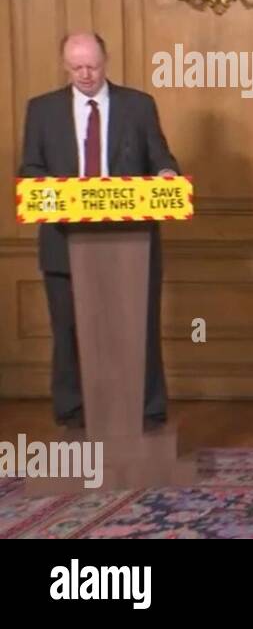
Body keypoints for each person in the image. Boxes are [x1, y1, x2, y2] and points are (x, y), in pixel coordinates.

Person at [18, 32, 181, 428]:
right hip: (64, 244)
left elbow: (160, 156)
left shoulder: (138, 105)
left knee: (138, 329)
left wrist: (166, 173)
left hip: (132, 245)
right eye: (77, 68)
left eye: (92, 66)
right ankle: (73, 413)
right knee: (69, 330)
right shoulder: (42, 109)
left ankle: (147, 411)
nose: (86, 75)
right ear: (64, 65)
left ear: (105, 61)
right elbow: (30, 169)